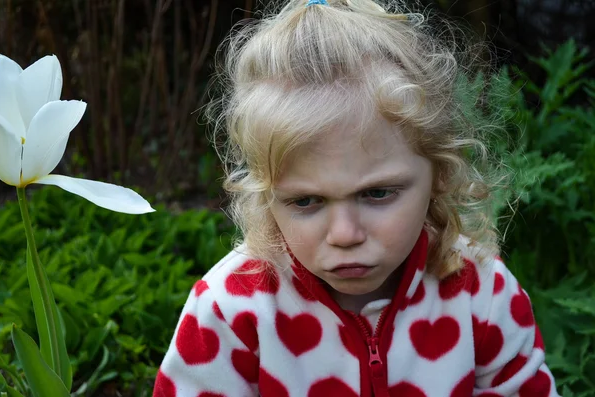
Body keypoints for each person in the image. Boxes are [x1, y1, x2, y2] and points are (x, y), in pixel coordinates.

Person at [153, 0, 560, 395]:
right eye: (306, 201)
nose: (345, 234)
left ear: (440, 173)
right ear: (265, 193)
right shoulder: (231, 311)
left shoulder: (481, 293)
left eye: (378, 193)